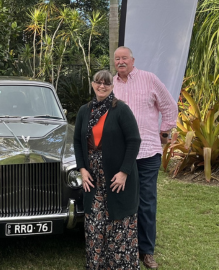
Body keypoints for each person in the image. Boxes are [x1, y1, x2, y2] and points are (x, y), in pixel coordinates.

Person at [113, 46, 178, 269]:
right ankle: (125, 246)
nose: (121, 62)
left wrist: (164, 132)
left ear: (133, 60)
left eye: (124, 58)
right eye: (117, 59)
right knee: (123, 201)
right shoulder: (110, 85)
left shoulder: (149, 79)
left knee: (147, 201)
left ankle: (146, 251)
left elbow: (169, 106)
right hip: (121, 155)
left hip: (148, 152)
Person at [74, 70, 142, 269]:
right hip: (93, 179)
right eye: (98, 82)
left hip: (117, 178)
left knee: (118, 224)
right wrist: (82, 169)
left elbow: (134, 141)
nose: (101, 86)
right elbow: (78, 142)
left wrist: (124, 172)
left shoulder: (121, 109)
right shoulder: (84, 111)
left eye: (106, 83)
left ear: (112, 86)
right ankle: (97, 265)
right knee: (95, 224)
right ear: (93, 84)